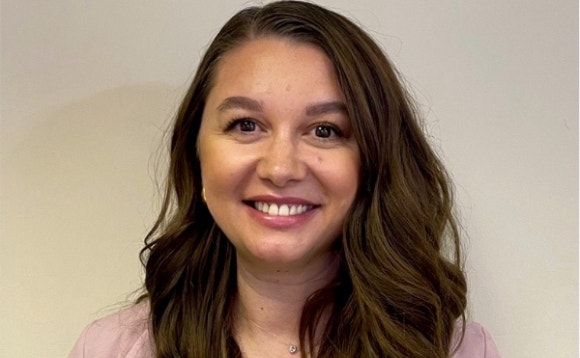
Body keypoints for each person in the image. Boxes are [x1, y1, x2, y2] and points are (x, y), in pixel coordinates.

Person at [69, 1, 500, 357]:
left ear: (372, 164)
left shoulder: (456, 350)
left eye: (325, 130)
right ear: (195, 154)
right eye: (245, 125)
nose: (280, 169)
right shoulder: (111, 349)